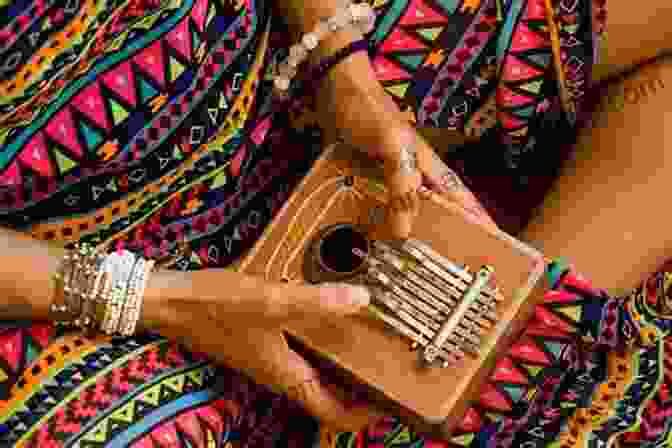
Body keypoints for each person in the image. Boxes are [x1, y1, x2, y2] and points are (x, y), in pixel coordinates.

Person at [0, 0, 671, 446]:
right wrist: (161, 300)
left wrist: (341, 68)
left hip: (271, 59)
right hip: (74, 271)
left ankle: (505, 345)